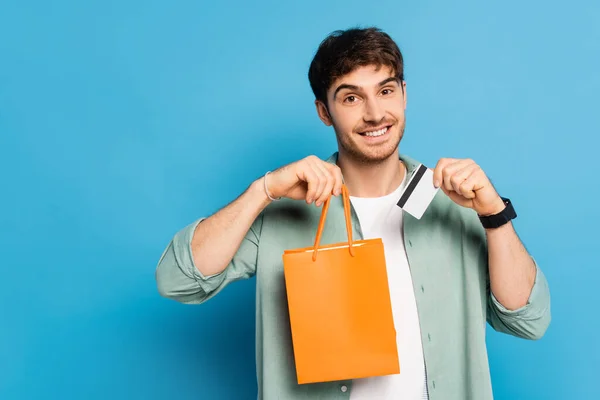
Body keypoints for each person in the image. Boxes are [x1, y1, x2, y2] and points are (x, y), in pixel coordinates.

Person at [155, 27, 551, 400]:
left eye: (386, 90)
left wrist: (494, 215)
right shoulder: (283, 213)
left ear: (404, 94)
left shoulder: (453, 203)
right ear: (324, 112)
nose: (375, 114)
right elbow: (179, 280)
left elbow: (528, 320)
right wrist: (263, 190)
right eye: (350, 98)